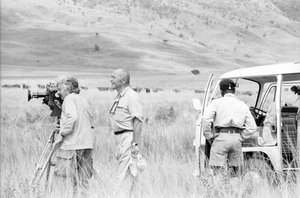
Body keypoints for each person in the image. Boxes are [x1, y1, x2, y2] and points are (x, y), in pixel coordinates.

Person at [201, 79, 257, 177]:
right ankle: (235, 190)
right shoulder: (243, 104)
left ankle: (221, 190)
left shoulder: (216, 103)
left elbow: (205, 119)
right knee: (235, 172)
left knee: (218, 171)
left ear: (221, 91)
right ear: (234, 91)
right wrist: (241, 137)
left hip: (221, 137)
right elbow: (252, 127)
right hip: (236, 139)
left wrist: (209, 136)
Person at [51, 76, 94, 198]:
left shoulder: (69, 99)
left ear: (66, 88)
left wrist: (61, 135)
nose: (58, 93)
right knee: (82, 183)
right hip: (86, 145)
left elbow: (72, 117)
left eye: (59, 89)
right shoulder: (83, 99)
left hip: (70, 146)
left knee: (62, 181)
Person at [109, 69, 144, 197]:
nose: (110, 79)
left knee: (122, 174)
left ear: (123, 80)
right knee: (130, 173)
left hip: (128, 137)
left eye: (113, 77)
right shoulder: (119, 96)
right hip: (120, 138)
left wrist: (135, 144)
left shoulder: (131, 96)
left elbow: (138, 122)